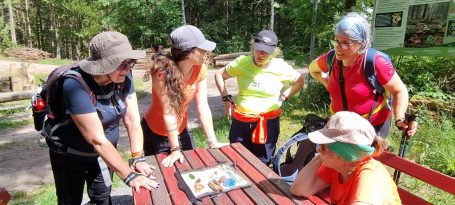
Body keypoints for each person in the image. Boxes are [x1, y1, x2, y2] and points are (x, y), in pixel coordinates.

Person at [43, 31, 159, 205]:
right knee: (69, 201)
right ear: (104, 65)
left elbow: (132, 119)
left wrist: (137, 157)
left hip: (103, 155)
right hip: (69, 156)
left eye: (130, 62)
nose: (128, 68)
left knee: (102, 199)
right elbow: (97, 140)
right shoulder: (74, 84)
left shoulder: (124, 75)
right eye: (122, 63)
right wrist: (130, 176)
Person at [308, 12, 417, 137]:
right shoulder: (332, 58)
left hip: (371, 127)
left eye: (345, 43)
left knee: (364, 157)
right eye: (337, 40)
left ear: (361, 43)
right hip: (339, 126)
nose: (338, 47)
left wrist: (399, 117)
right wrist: (329, 84)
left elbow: (400, 91)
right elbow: (313, 70)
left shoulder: (375, 62)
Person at [142, 25, 227, 167]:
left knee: (191, 167)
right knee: (164, 176)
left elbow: (203, 106)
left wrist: (212, 142)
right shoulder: (162, 72)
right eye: (202, 49)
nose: (206, 52)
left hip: (181, 129)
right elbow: (169, 112)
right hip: (155, 133)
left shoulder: (201, 69)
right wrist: (175, 149)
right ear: (188, 52)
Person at [214, 30, 304, 165]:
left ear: (274, 52)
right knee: (237, 158)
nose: (261, 54)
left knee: (263, 161)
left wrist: (283, 97)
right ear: (253, 47)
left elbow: (299, 81)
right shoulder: (242, 62)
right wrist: (226, 99)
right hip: (241, 122)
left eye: (266, 51)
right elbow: (219, 75)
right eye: (258, 49)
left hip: (267, 122)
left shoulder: (279, 66)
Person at [290, 111, 401, 205]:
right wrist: (324, 153)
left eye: (323, 146)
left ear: (347, 155)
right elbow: (299, 189)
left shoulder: (370, 175)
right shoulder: (339, 166)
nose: (318, 150)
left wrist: (327, 151)